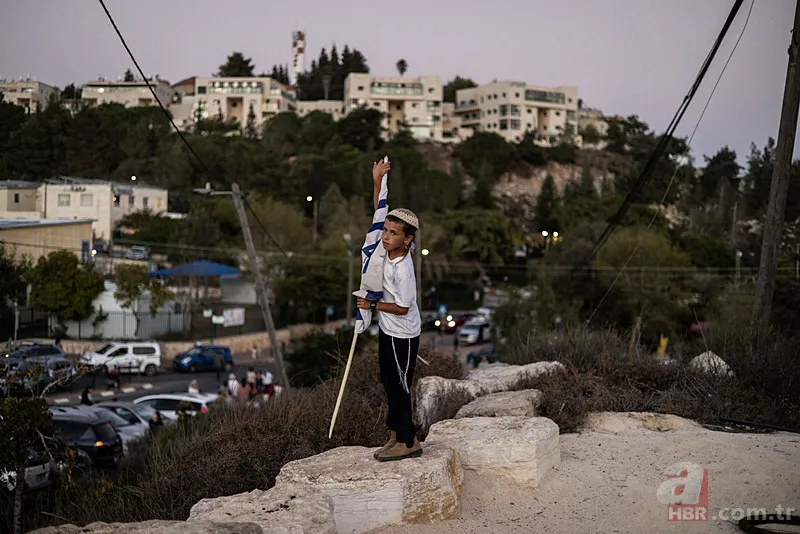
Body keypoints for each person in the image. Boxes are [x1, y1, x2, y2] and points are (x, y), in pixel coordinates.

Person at [356, 159, 423, 462]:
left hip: (403, 334)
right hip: (388, 330)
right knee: (389, 382)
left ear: (407, 239)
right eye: (386, 231)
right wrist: (376, 181)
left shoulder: (403, 269)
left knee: (400, 386)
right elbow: (378, 212)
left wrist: (371, 305)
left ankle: (408, 441)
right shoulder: (386, 249)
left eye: (393, 233)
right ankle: (395, 435)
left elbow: (401, 306)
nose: (385, 236)